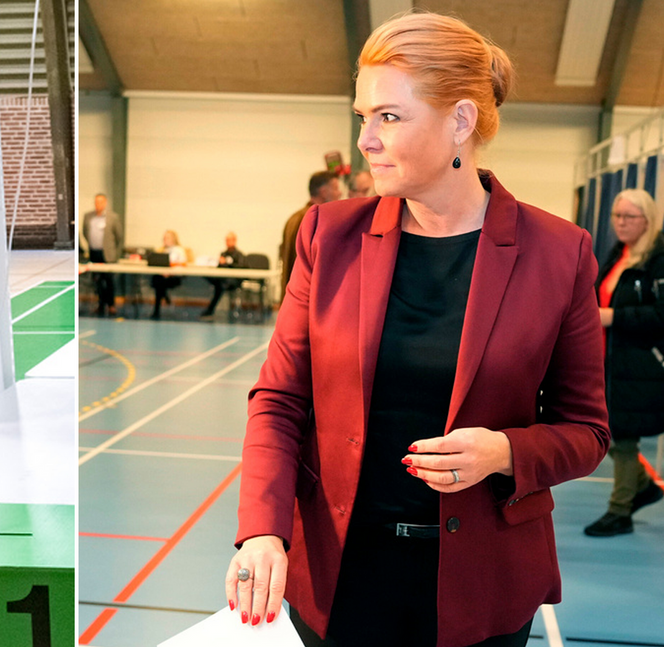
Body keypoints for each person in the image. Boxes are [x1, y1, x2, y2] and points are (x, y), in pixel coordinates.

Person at [226, 12, 609, 647]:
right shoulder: (329, 236)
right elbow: (279, 399)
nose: (365, 141)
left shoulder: (559, 252)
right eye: (362, 117)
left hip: (481, 587)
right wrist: (263, 528)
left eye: (389, 117)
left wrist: (504, 453)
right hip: (342, 580)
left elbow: (587, 430)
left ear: (461, 121)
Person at [584, 188, 664, 537]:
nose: (620, 223)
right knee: (614, 432)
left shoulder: (656, 259)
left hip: (640, 365)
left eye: (628, 217)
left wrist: (613, 316)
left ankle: (620, 511)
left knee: (623, 436)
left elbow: (660, 315)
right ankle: (643, 486)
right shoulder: (621, 254)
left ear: (647, 220)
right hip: (611, 360)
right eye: (617, 216)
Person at [279, 171, 341, 302]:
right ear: (324, 192)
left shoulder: (294, 218)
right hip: (308, 299)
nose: (340, 193)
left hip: (292, 296)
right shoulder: (318, 220)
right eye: (336, 188)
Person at [79, 193, 123, 316]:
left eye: (101, 202)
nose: (98, 204)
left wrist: (115, 254)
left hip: (107, 254)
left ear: (105, 203)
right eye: (96, 202)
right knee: (97, 280)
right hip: (94, 253)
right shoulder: (88, 217)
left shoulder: (113, 217)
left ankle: (111, 305)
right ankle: (100, 304)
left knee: (108, 281)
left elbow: (119, 237)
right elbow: (84, 232)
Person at [199, 231, 245, 321]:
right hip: (222, 280)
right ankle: (209, 310)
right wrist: (220, 263)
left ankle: (210, 310)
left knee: (220, 287)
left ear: (234, 241)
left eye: (229, 240)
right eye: (226, 240)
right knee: (217, 283)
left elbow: (240, 268)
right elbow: (220, 268)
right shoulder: (223, 254)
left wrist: (227, 263)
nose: (227, 242)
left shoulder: (239, 255)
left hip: (233, 281)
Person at [150, 229, 187, 320]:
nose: (164, 240)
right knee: (157, 279)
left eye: (167, 238)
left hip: (174, 276)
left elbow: (182, 264)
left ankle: (163, 298)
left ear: (173, 239)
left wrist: (170, 272)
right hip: (162, 276)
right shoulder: (162, 250)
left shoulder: (179, 250)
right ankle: (161, 301)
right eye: (164, 238)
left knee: (159, 283)